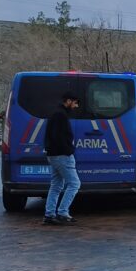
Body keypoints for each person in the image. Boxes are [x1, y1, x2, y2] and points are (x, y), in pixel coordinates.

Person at [43, 91, 81, 225]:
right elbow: (59, 137)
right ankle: (63, 212)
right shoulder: (61, 115)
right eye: (75, 103)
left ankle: (50, 214)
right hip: (62, 155)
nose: (76, 106)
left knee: (56, 185)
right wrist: (69, 150)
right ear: (69, 101)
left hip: (53, 154)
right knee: (75, 184)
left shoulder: (56, 113)